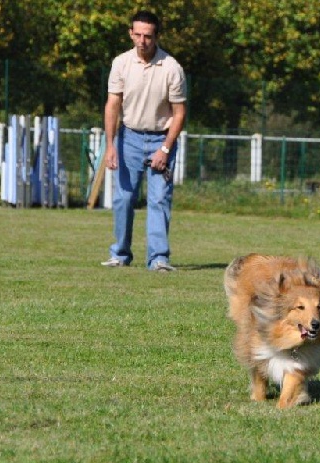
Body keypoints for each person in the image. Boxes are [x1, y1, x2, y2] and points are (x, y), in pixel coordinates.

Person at [101, 10, 187, 271]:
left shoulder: (172, 68)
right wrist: (111, 145)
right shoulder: (121, 63)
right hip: (129, 138)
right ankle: (120, 254)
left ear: (156, 36)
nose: (142, 41)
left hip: (162, 138)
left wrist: (165, 148)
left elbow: (180, 113)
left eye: (147, 36)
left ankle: (158, 259)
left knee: (159, 199)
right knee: (123, 198)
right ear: (130, 33)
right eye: (137, 34)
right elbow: (112, 104)